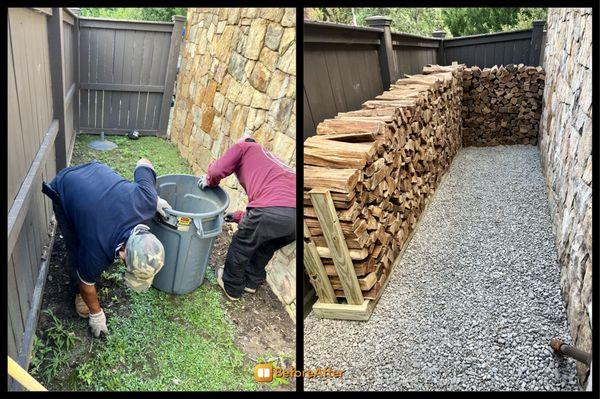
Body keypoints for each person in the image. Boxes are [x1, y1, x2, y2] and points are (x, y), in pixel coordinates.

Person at [42, 158, 172, 337]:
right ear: (122, 252)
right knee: (75, 246)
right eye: (128, 265)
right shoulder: (97, 252)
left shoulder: (147, 200)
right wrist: (97, 314)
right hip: (65, 185)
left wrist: (154, 199)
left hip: (95, 173)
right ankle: (76, 293)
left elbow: (144, 162)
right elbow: (87, 283)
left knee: (86, 235)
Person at [198, 135, 296, 300]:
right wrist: (236, 216)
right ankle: (251, 282)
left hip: (271, 209)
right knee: (265, 246)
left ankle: (231, 286)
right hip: (296, 218)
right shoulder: (271, 161)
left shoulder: (244, 147)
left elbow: (216, 171)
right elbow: (270, 214)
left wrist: (209, 180)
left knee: (242, 244)